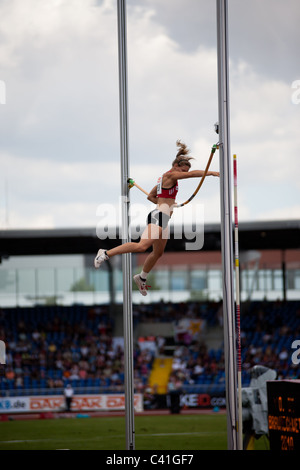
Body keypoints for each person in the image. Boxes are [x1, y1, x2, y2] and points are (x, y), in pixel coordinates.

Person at [94, 140, 219, 296]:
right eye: (183, 170)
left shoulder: (165, 180)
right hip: (158, 216)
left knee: (158, 253)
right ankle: (105, 253)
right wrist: (211, 173)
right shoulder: (170, 175)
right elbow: (194, 175)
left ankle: (141, 277)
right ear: (175, 166)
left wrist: (168, 204)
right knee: (141, 246)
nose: (184, 174)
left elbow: (151, 197)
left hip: (164, 217)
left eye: (185, 171)